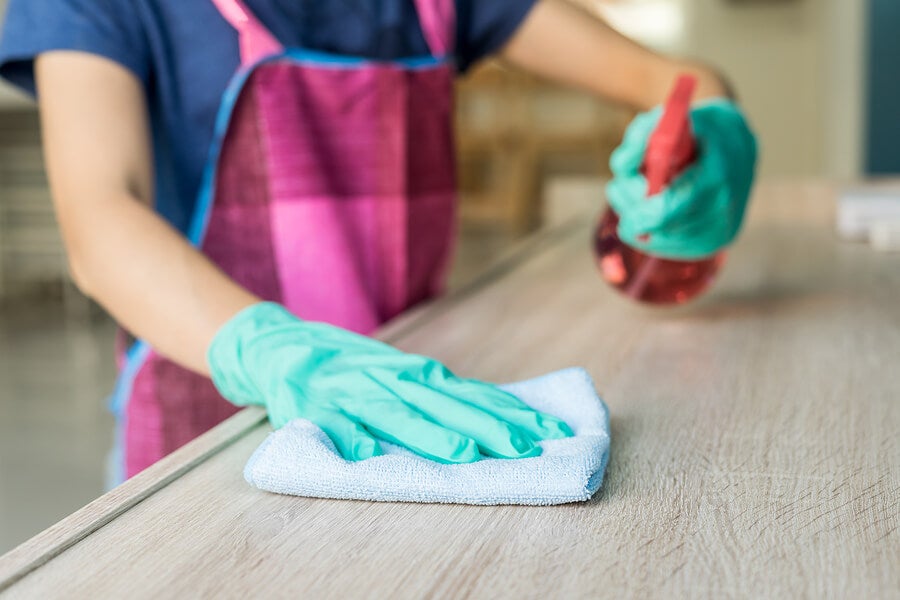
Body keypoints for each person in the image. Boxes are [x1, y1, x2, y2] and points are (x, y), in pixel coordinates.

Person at [0, 0, 757, 481]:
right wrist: (276, 351)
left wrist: (711, 131)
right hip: (208, 438)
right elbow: (100, 219)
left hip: (420, 414)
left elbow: (679, 79)